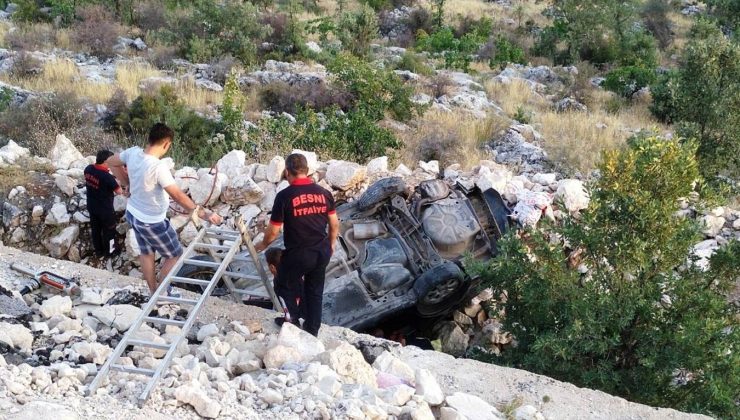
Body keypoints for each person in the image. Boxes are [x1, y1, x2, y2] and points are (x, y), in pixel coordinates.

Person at [106, 123, 222, 295]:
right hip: (152, 221)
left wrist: (126, 182)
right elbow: (177, 195)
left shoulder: (133, 152)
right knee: (175, 254)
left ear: (150, 139)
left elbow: (111, 162)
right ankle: (161, 292)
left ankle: (154, 291)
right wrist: (203, 212)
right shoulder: (157, 167)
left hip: (134, 214)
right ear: (167, 144)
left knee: (146, 253)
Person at [255, 154, 339, 336]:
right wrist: (331, 245)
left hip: (300, 253)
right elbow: (334, 224)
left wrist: (262, 244)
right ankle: (312, 330)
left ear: (287, 172)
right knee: (315, 291)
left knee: (283, 282)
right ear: (307, 171)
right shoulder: (324, 193)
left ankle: (290, 320)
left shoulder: (285, 196)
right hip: (322, 250)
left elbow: (273, 231)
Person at [84, 150, 124, 257]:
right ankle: (110, 252)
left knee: (95, 230)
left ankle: (98, 251)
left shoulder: (88, 169)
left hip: (92, 206)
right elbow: (119, 191)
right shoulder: (107, 177)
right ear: (106, 161)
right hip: (105, 210)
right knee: (109, 231)